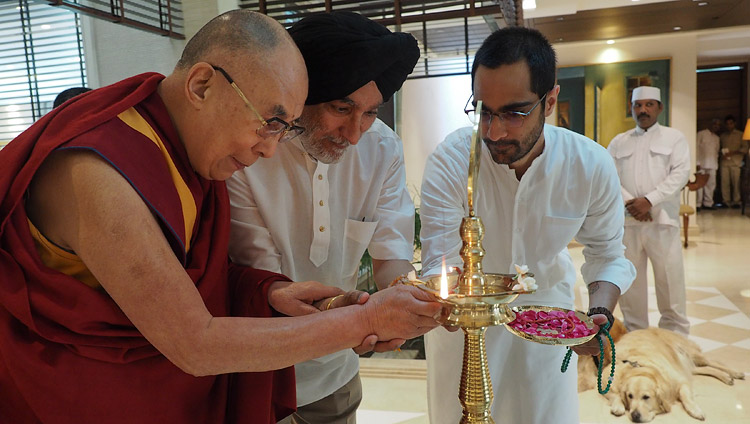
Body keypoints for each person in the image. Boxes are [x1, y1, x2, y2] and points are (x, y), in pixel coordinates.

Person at [0, 10, 445, 424]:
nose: (271, 148)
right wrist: (366, 321)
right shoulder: (96, 174)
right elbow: (194, 343)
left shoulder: (188, 152)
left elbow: (199, 278)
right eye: (270, 121)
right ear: (201, 86)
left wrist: (268, 292)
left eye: (284, 128)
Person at [419, 27, 636, 424]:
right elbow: (438, 260)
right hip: (464, 333)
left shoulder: (588, 164)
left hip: (547, 322)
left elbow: (606, 254)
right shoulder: (452, 162)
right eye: (484, 110)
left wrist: (599, 315)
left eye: (515, 113)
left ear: (550, 100)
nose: (494, 131)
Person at [227, 11, 420, 424]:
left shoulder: (382, 149)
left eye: (370, 113)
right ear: (299, 93)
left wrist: (407, 303)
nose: (354, 133)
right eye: (341, 108)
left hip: (337, 378)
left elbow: (391, 254)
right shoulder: (249, 152)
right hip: (260, 377)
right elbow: (268, 285)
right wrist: (364, 317)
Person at [608, 86, 691, 336]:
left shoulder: (674, 138)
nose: (643, 110)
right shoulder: (619, 142)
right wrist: (632, 203)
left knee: (670, 281)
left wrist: (649, 201)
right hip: (629, 221)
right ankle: (636, 335)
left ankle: (675, 337)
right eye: (638, 105)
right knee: (630, 283)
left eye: (649, 105)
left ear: (660, 108)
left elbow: (680, 174)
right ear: (632, 108)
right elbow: (608, 175)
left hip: (661, 221)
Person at [719, 114, 748, 208]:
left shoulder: (740, 135)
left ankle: (736, 201)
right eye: (727, 124)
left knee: (736, 183)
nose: (729, 126)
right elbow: (719, 149)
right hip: (725, 162)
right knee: (725, 183)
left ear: (734, 123)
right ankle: (726, 201)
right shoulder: (722, 136)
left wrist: (733, 152)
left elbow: (745, 149)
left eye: (731, 123)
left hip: (736, 162)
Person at [696, 118, 721, 209]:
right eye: (715, 124)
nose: (716, 126)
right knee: (699, 185)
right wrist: (697, 162)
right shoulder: (701, 134)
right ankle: (698, 204)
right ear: (710, 124)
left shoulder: (717, 138)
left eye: (718, 125)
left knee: (711, 185)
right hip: (701, 164)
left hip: (712, 164)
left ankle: (708, 203)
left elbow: (716, 152)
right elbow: (696, 148)